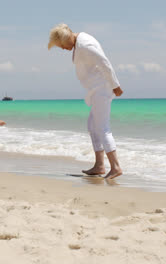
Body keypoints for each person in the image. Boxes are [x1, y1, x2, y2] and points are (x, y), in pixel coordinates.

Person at [48, 23, 123, 179]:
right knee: (92, 126)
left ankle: (115, 167)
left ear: (66, 38)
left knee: (102, 128)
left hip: (101, 89)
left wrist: (115, 85)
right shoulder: (79, 42)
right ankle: (99, 165)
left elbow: (104, 62)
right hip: (96, 89)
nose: (62, 49)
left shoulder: (85, 44)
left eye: (61, 45)